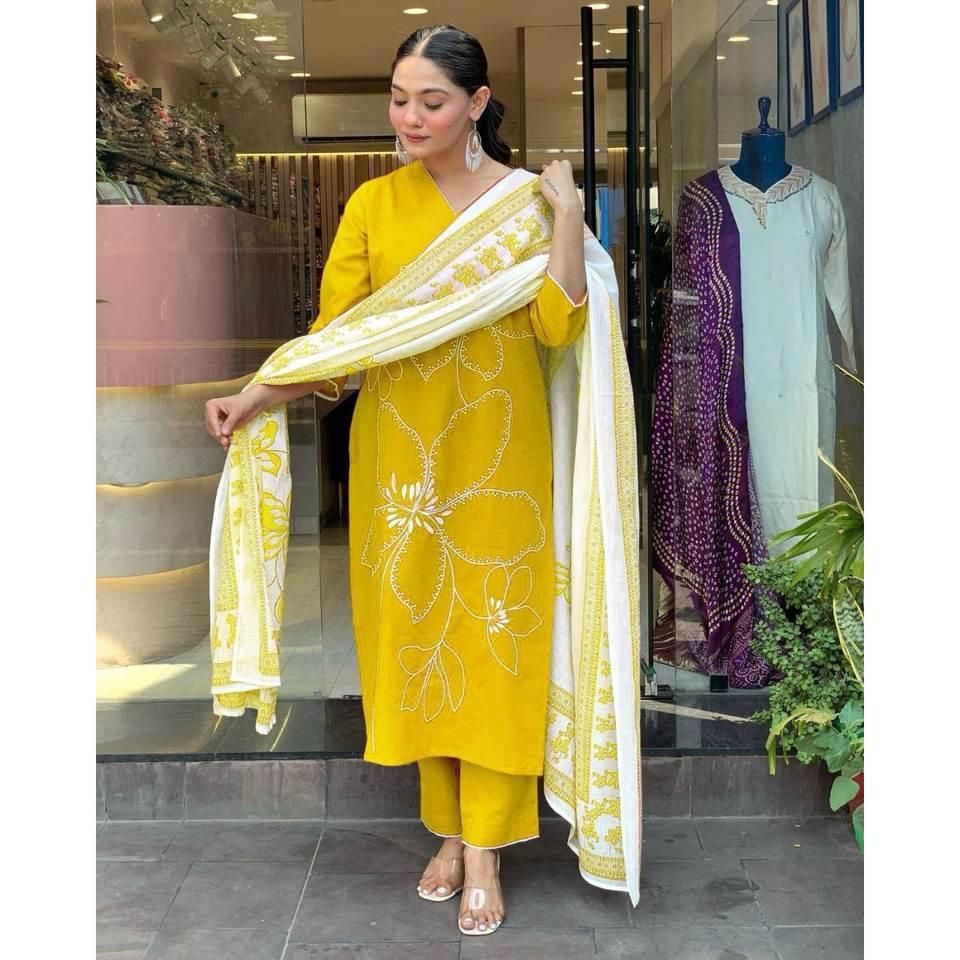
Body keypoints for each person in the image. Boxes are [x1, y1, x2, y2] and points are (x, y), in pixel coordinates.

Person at [204, 25, 591, 937]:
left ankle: (485, 848)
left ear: (477, 104)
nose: (410, 118)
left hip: (502, 461)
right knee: (419, 638)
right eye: (399, 98)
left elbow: (559, 327)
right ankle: (449, 833)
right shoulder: (373, 206)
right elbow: (338, 344)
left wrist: (571, 218)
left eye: (432, 101)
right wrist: (257, 393)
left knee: (495, 643)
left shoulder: (527, 205)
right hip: (398, 466)